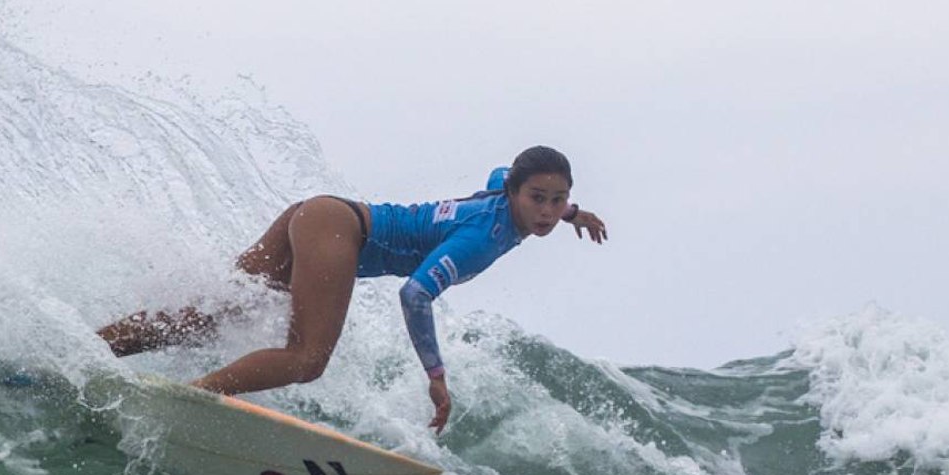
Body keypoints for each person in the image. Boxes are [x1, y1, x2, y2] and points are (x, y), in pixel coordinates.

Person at [97, 145, 607, 434]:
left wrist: (572, 215)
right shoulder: (483, 237)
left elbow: (503, 171)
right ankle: (187, 402)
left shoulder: (504, 194)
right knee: (307, 359)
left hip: (319, 214)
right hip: (339, 231)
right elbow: (415, 294)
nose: (546, 210)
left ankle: (92, 346)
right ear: (515, 193)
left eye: (557, 199)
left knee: (212, 316)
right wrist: (435, 375)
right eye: (537, 198)